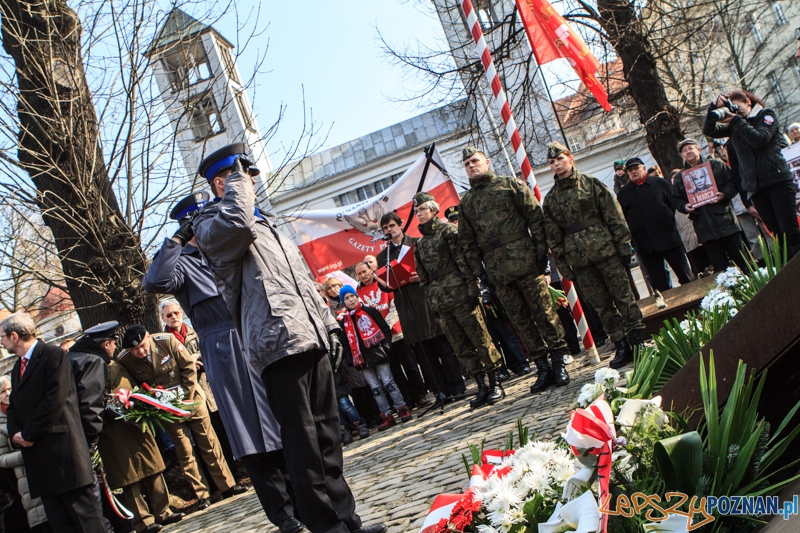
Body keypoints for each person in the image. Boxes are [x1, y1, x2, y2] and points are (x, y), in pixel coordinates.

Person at [192, 143, 384, 533]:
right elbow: (237, 222)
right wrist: (237, 182)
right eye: (242, 176)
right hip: (277, 344)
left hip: (308, 335)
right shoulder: (211, 226)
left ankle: (347, 522)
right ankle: (326, 528)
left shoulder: (265, 223)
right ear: (222, 184)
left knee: (328, 438)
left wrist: (329, 327)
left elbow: (302, 284)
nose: (250, 183)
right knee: (303, 444)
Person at [143, 189, 305, 533]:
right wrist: (176, 240)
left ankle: (304, 500)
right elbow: (155, 281)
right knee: (248, 432)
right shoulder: (182, 263)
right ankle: (282, 513)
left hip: (253, 334)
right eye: (199, 220)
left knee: (280, 419)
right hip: (222, 348)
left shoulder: (225, 248)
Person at [458, 146, 571, 394]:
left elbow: (535, 218)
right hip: (498, 273)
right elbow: (467, 242)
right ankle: (542, 366)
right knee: (521, 321)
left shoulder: (511, 185)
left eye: (475, 161)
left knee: (545, 313)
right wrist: (481, 273)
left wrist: (541, 253)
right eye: (467, 164)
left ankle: (559, 362)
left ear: (487, 162)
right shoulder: (466, 203)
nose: (471, 166)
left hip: (526, 262)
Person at [116, 326, 245, 510]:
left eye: (143, 346)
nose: (141, 352)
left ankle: (227, 485)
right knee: (185, 452)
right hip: (167, 411)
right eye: (135, 349)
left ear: (148, 337)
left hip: (191, 400)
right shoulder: (126, 360)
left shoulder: (166, 341)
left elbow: (188, 368)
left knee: (209, 444)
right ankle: (202, 495)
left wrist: (185, 396)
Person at [542, 143, 645, 370]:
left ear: (570, 158)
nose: (556, 165)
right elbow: (554, 236)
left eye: (560, 159)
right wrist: (563, 266)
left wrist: (624, 245)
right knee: (601, 305)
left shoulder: (591, 184)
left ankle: (637, 339)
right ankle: (621, 344)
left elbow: (614, 215)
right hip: (580, 260)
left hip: (606, 251)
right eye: (552, 162)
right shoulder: (550, 200)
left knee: (623, 297)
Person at [1, 312, 106, 533]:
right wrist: (15, 434)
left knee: (87, 522)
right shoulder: (17, 368)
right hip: (41, 464)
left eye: (2, 337)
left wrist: (28, 434)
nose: (1, 342)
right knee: (61, 524)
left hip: (65, 456)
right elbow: (13, 407)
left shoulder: (52, 355)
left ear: (14, 336)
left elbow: (54, 400)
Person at [412, 191, 505, 408]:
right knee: (460, 346)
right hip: (442, 301)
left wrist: (473, 288)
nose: (419, 214)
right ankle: (481, 385)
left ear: (433, 209)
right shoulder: (420, 244)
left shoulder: (448, 231)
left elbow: (464, 260)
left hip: (462, 294)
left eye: (422, 209)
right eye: (416, 211)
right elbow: (423, 278)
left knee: (480, 338)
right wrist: (432, 301)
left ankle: (495, 383)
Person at [377, 212, 466, 400]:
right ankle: (439, 390)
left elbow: (436, 266)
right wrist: (385, 282)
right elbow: (384, 284)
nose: (389, 230)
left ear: (401, 225)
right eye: (385, 228)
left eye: (392, 225)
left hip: (428, 300)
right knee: (424, 354)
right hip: (407, 306)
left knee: (444, 347)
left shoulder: (418, 243)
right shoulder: (383, 256)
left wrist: (423, 275)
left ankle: (457, 386)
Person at [703, 90, 800, 259]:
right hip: (756, 189)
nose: (736, 112)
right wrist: (713, 107)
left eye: (738, 108)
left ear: (748, 101)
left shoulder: (765, 115)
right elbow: (709, 129)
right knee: (776, 234)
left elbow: (759, 139)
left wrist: (736, 120)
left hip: (778, 182)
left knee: (789, 230)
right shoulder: (735, 126)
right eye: (733, 110)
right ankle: (791, 270)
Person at [98, 361, 184, 533]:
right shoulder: (92, 368)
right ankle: (142, 521)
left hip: (136, 424)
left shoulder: (120, 365)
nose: (112, 348)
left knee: (152, 467)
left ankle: (163, 511)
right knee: (128, 477)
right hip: (112, 431)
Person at [157, 301, 237, 484]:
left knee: (220, 435)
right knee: (200, 443)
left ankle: (232, 477)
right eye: (169, 315)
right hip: (186, 397)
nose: (174, 317)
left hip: (209, 391)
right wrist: (187, 364)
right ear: (162, 318)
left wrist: (199, 356)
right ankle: (214, 484)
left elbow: (212, 352)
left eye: (176, 313)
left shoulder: (195, 332)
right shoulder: (162, 342)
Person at [66, 321, 120, 533]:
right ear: (105, 344)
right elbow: (91, 406)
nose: (115, 348)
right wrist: (91, 441)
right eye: (114, 343)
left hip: (66, 437)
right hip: (81, 439)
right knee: (92, 495)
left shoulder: (71, 357)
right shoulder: (93, 362)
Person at [354, 261, 428, 410]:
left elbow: (395, 306)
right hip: (380, 340)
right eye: (359, 274)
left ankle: (420, 396)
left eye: (364, 271)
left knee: (410, 366)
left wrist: (385, 326)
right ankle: (407, 400)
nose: (363, 275)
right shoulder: (358, 293)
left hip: (397, 333)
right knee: (394, 371)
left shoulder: (383, 283)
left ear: (370, 270)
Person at [337, 286, 411, 429]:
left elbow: (384, 329)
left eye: (352, 296)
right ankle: (386, 414)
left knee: (388, 383)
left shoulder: (370, 311)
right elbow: (345, 343)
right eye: (346, 298)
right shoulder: (344, 322)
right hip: (362, 360)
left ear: (357, 296)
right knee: (375, 388)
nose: (351, 300)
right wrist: (351, 359)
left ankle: (401, 408)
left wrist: (386, 347)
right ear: (343, 302)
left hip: (378, 354)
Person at [617, 157, 695, 291]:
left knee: (686, 276)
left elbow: (671, 205)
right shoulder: (623, 194)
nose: (633, 172)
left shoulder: (660, 183)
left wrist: (668, 224)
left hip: (669, 239)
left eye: (636, 168)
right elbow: (623, 218)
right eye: (630, 170)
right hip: (645, 245)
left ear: (643, 168)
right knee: (660, 285)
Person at [672, 139, 748, 272]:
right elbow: (676, 200)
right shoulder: (680, 177)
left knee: (742, 262)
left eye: (690, 148)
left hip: (726, 222)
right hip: (704, 228)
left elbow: (733, 182)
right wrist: (685, 207)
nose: (688, 152)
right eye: (684, 151)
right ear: (682, 156)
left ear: (698, 150)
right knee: (720, 269)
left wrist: (723, 194)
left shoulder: (716, 165)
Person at [0, 375, 49, 532]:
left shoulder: (26, 408)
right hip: (23, 483)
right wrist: (26, 454)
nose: (8, 393)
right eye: (3, 391)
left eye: (10, 389)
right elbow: (1, 458)